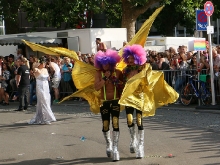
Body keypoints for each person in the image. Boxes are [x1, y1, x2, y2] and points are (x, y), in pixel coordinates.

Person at [94, 49, 123, 161]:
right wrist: (105, 78)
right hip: (104, 102)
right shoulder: (98, 73)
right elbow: (96, 87)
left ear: (112, 63)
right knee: (105, 124)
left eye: (107, 63)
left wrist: (117, 81)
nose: (105, 65)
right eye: (103, 63)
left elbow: (123, 87)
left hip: (115, 101)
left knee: (115, 123)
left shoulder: (118, 72)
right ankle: (109, 144)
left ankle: (115, 148)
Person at [121, 44, 147, 159]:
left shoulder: (141, 68)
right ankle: (133, 140)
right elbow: (122, 83)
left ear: (137, 58)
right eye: (129, 58)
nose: (130, 60)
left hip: (139, 97)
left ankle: (141, 146)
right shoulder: (125, 71)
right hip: (128, 97)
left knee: (140, 120)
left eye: (132, 58)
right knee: (129, 119)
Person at [28, 57, 56, 124]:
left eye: (45, 63)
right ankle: (47, 117)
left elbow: (48, 77)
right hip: (40, 87)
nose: (44, 64)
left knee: (46, 100)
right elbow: (33, 69)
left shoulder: (45, 69)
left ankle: (43, 118)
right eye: (43, 63)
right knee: (43, 101)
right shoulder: (36, 69)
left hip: (46, 87)